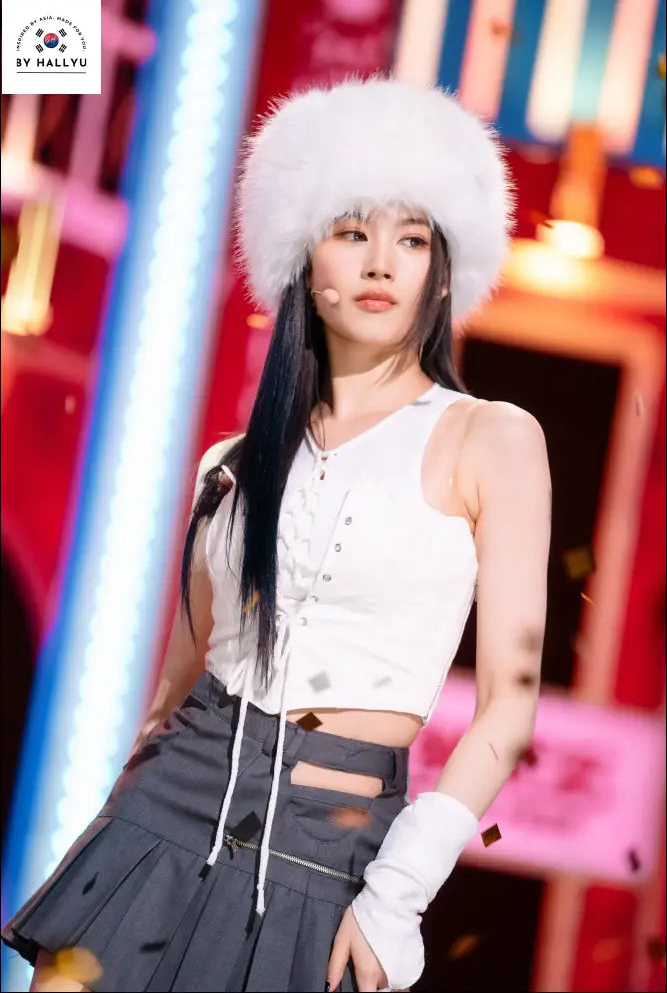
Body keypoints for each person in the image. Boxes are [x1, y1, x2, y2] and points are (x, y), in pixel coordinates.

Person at [2, 77, 552, 993]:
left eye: (412, 239)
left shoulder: (491, 438)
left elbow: (509, 704)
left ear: (441, 267)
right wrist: (114, 834)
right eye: (352, 231)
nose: (381, 263)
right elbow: (177, 690)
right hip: (162, 820)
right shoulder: (231, 463)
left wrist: (399, 891)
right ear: (302, 254)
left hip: (329, 856)